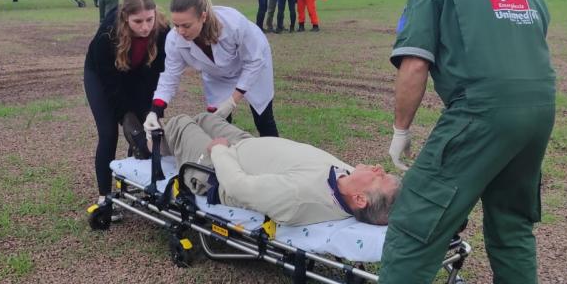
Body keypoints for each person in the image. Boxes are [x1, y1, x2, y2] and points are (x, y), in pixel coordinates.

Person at [331, 0, 556, 284]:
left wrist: (401, 131)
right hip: (538, 108)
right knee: (511, 220)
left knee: (416, 219)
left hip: (481, 110)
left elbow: (414, 66)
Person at [164, 113, 400, 226]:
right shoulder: (347, 180)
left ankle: (148, 143)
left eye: (379, 177)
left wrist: (219, 151)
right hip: (245, 145)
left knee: (181, 122)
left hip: (214, 170)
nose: (379, 168)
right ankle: (169, 142)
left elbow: (237, 186)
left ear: (359, 199)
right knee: (205, 118)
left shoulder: (299, 197)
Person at [144, 0, 279, 137]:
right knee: (218, 124)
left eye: (186, 26)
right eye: (176, 25)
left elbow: (254, 61)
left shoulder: (234, 23)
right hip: (216, 76)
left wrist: (233, 100)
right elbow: (169, 77)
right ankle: (227, 157)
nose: (180, 32)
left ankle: (275, 156)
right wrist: (154, 112)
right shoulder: (174, 40)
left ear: (203, 16)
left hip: (253, 63)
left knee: (263, 118)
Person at [84, 0, 168, 217]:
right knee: (109, 132)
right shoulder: (108, 34)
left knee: (147, 130)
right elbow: (111, 85)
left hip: (139, 75)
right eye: (138, 21)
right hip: (102, 76)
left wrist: (151, 111)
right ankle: (104, 199)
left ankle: (142, 183)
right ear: (125, 18)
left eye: (149, 19)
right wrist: (124, 115)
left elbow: (159, 75)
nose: (145, 27)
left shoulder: (162, 30)